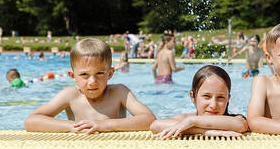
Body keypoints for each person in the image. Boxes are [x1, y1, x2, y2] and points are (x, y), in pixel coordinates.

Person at [24, 38, 156, 133]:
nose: (92, 81)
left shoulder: (119, 93)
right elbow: (31, 121)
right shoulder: (70, 95)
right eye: (84, 75)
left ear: (110, 74)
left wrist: (107, 125)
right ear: (73, 76)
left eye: (99, 73)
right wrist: (70, 126)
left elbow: (149, 119)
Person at [151, 65, 248, 139]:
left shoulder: (235, 119)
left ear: (228, 99)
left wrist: (192, 121)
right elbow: (156, 125)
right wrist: (204, 131)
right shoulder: (184, 118)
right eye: (207, 96)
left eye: (220, 97)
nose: (213, 105)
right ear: (193, 96)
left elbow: (241, 125)